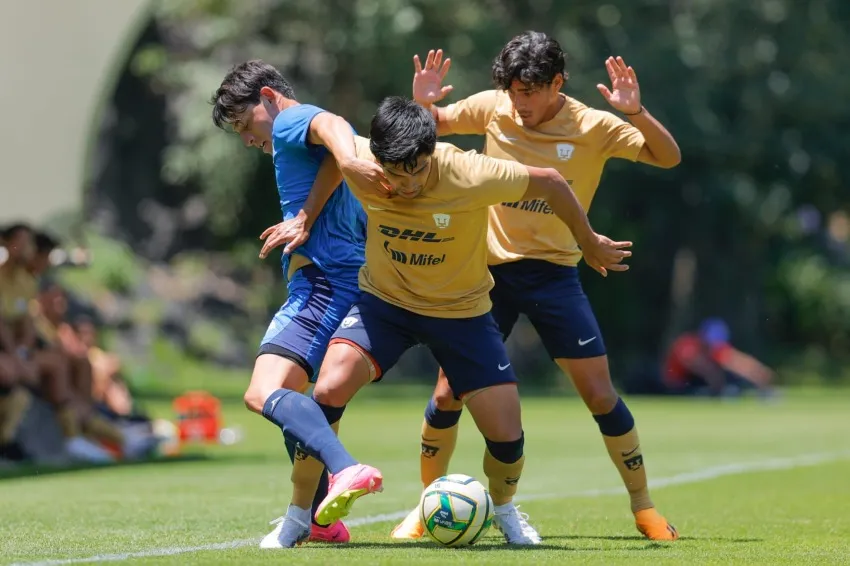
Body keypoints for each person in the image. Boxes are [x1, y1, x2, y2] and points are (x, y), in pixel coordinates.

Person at [275, 95, 631, 545]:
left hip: (462, 313)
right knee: (326, 389)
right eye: (395, 174)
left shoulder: (471, 172)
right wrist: (313, 206)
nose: (406, 185)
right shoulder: (363, 160)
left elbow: (553, 182)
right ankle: (299, 516)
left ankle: (504, 510)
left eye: (418, 171)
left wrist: (587, 241)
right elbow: (331, 147)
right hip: (386, 303)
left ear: (432, 153)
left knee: (507, 436)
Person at [389, 33, 682, 542]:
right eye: (513, 91)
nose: (519, 103)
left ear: (557, 83)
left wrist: (635, 113)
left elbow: (667, 156)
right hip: (487, 274)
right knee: (447, 390)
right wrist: (423, 102)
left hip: (555, 275)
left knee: (599, 394)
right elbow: (422, 134)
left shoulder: (592, 124)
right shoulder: (494, 108)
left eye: (530, 91)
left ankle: (644, 508)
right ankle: (424, 506)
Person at [210, 60, 384, 548]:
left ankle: (346, 470)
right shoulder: (298, 140)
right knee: (294, 403)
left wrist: (348, 161)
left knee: (261, 392)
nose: (247, 139)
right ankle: (315, 517)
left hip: (323, 284)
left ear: (267, 95)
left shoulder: (289, 120)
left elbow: (333, 126)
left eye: (246, 124)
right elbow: (332, 152)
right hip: (340, 281)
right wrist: (310, 210)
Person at [664, 317, 775, 396]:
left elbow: (737, 361)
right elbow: (704, 368)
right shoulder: (687, 345)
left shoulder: (716, 348)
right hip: (678, 386)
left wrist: (759, 373)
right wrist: (719, 388)